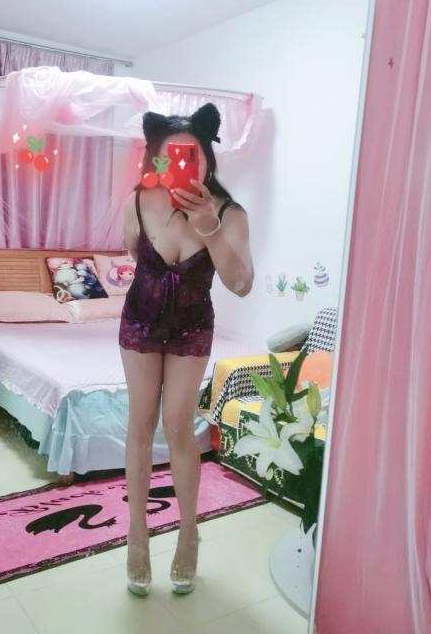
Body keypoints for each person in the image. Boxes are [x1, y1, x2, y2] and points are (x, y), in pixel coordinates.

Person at [119, 103, 254, 596]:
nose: (181, 163)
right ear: (155, 158)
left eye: (191, 155)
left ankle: (188, 533)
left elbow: (241, 283)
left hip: (192, 329)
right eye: (170, 155)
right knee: (140, 424)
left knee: (178, 424)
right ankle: (137, 536)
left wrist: (209, 226)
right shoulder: (138, 201)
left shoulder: (229, 213)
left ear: (208, 159)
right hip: (139, 322)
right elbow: (134, 253)